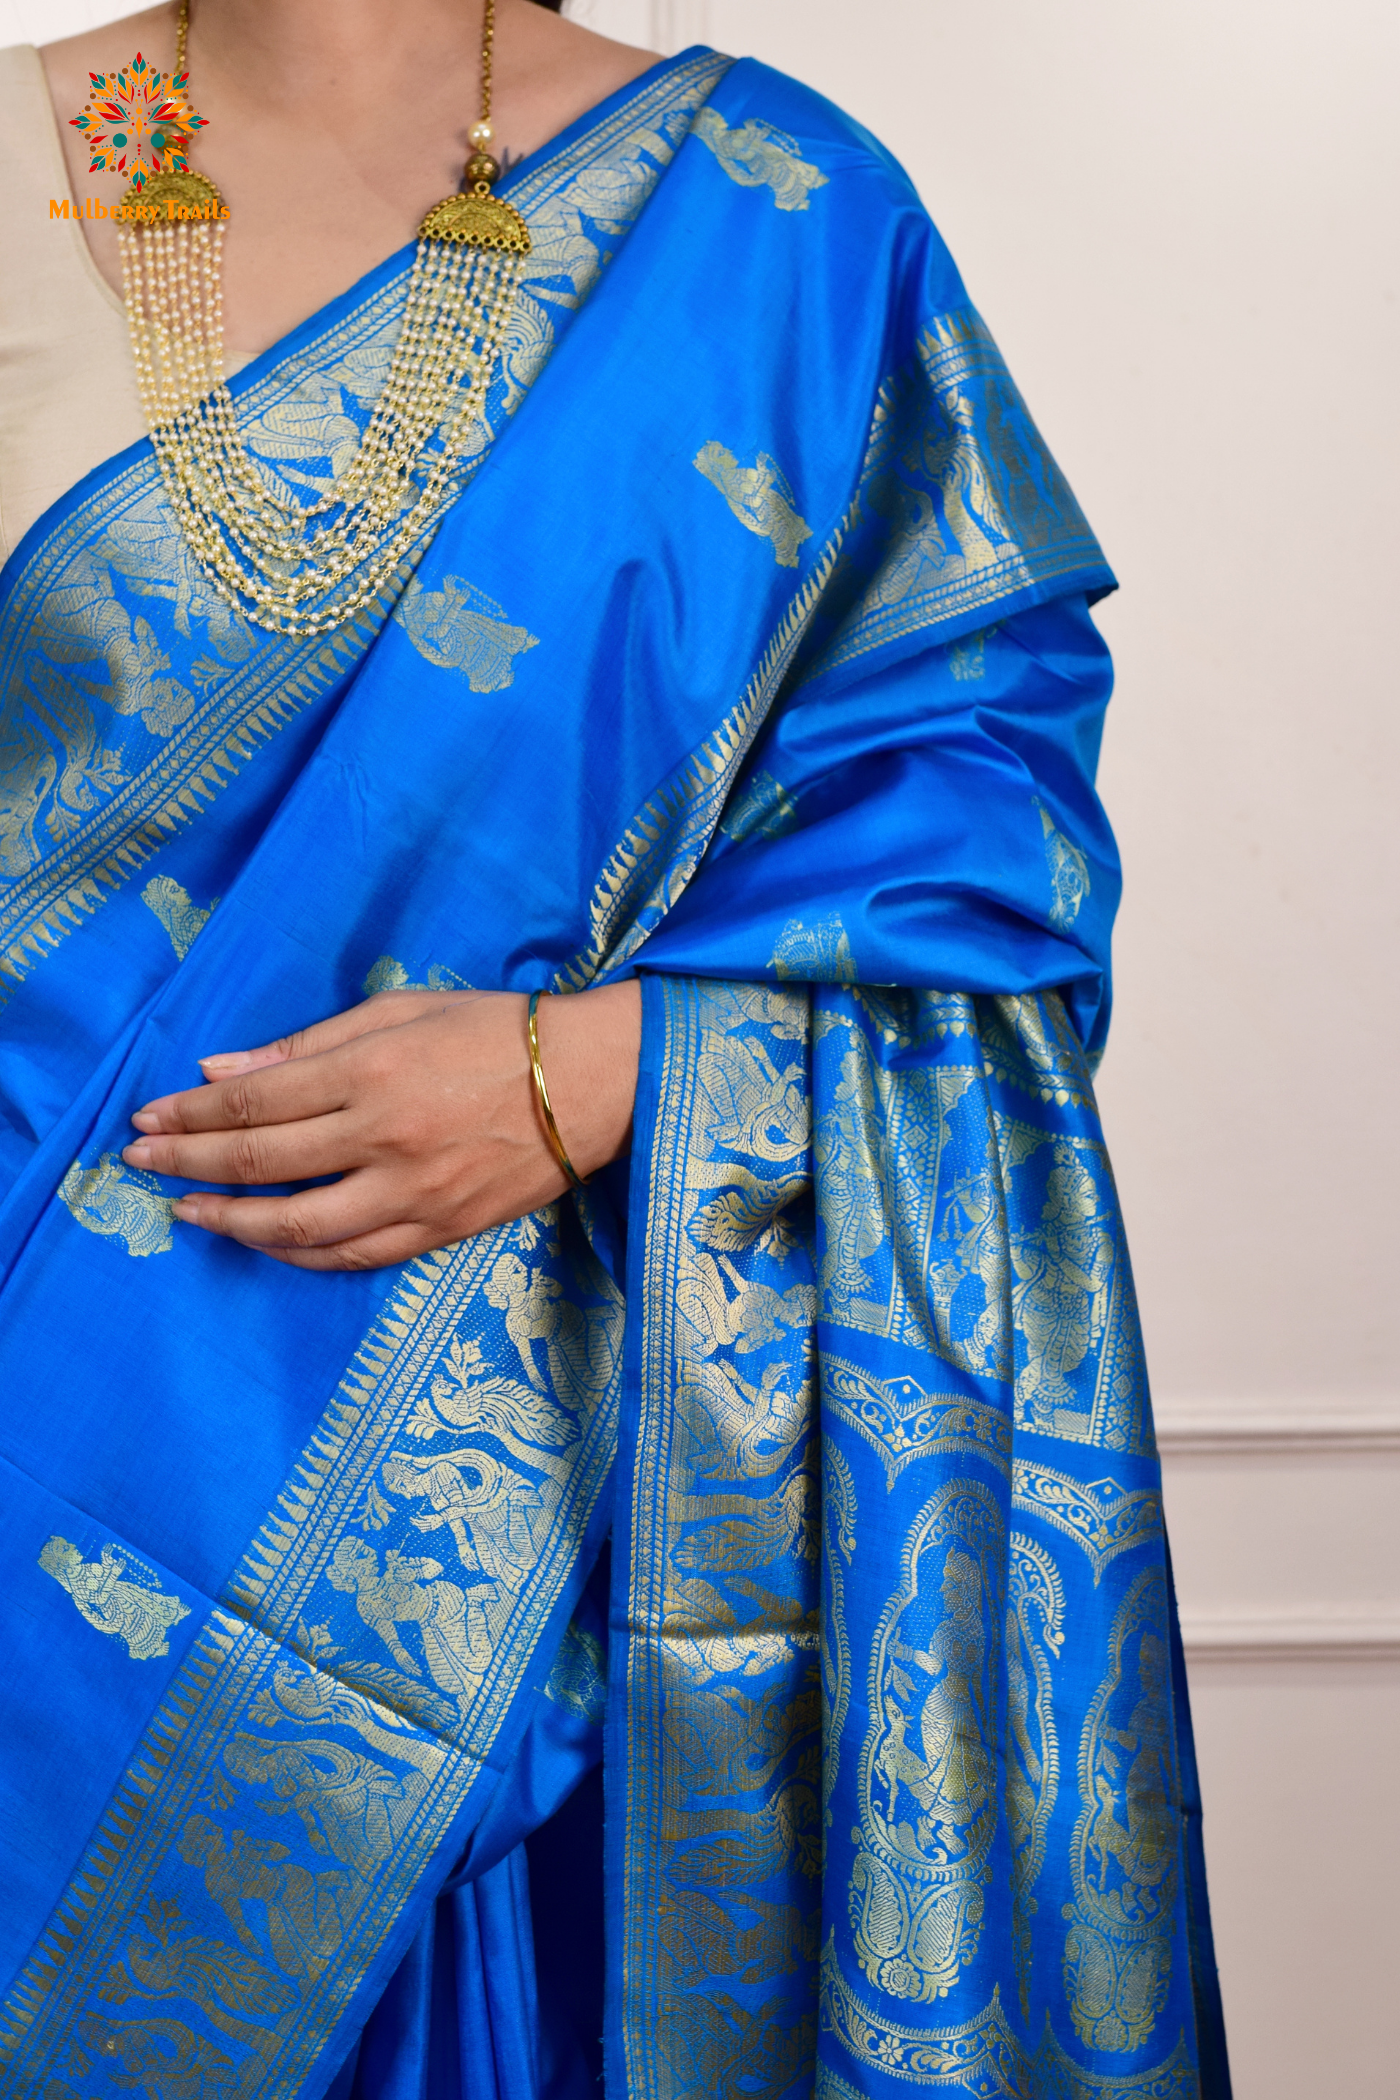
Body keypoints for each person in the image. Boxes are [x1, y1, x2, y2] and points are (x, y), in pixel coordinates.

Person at [0, 2, 1230, 2095]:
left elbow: (984, 850)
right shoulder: (31, 141)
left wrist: (600, 1073)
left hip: (498, 1505)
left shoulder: (776, 215)